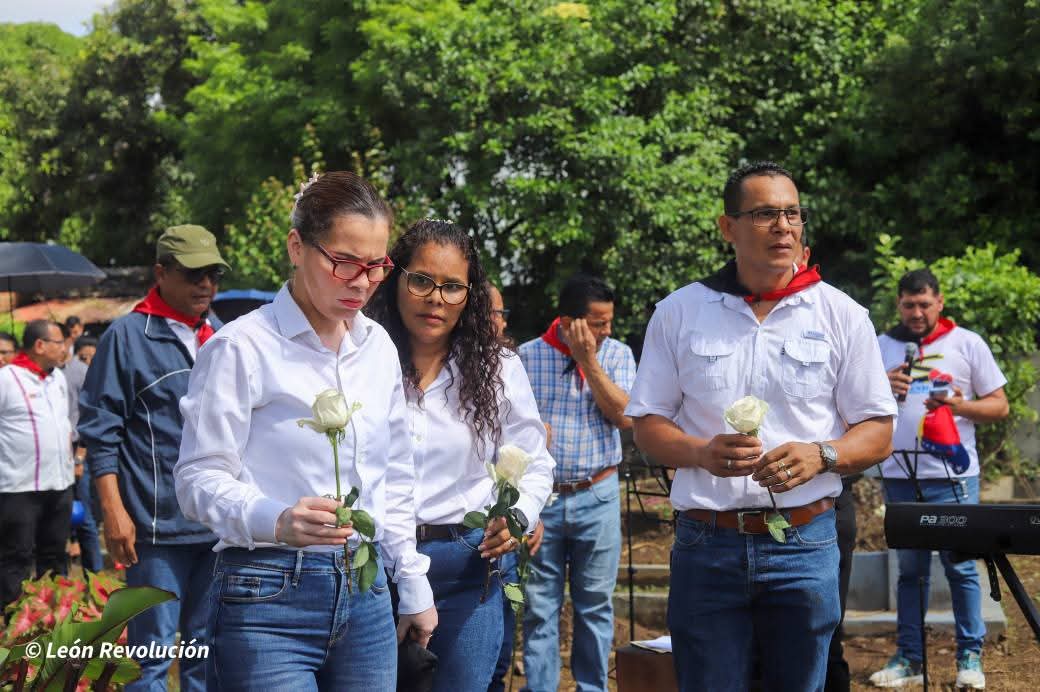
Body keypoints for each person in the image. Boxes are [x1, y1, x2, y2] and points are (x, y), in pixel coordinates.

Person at [625, 161, 896, 691]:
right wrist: (701, 453)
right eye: (765, 213)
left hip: (805, 541)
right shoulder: (680, 312)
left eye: (792, 213)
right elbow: (648, 426)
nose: (784, 227)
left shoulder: (841, 314)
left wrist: (823, 455)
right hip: (707, 543)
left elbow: (878, 430)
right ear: (728, 227)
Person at [174, 172, 437, 691]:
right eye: (343, 262)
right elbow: (197, 479)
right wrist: (276, 518)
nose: (361, 282)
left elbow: (396, 477)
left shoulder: (378, 347)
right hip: (267, 591)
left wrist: (411, 581)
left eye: (377, 266)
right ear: (297, 246)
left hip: (366, 591)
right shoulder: (240, 347)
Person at [368, 219, 554, 692]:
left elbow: (535, 462)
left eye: (453, 287)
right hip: (374, 568)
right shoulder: (359, 360)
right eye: (422, 280)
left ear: (469, 296)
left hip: (468, 570)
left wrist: (517, 516)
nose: (436, 298)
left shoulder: (500, 370)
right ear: (396, 279)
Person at [78, 224, 229, 691]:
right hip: (156, 532)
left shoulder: (221, 334)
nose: (206, 284)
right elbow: (100, 432)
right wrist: (114, 512)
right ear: (161, 272)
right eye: (193, 274)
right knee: (154, 658)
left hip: (219, 528)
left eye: (213, 273)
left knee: (207, 654)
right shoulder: (125, 337)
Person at [869, 268, 1008, 690]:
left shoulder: (967, 343)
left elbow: (999, 407)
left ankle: (970, 658)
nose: (916, 312)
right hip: (898, 475)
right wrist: (880, 387)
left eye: (924, 304)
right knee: (909, 572)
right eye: (909, 304)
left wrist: (962, 406)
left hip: (953, 477)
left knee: (962, 569)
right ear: (898, 305)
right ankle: (909, 658)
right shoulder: (881, 345)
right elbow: (854, 404)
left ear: (939, 302)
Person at [518, 273, 636, 692]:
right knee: (539, 608)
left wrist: (589, 360)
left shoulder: (617, 355)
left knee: (595, 607)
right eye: (597, 323)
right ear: (568, 322)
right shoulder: (527, 358)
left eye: (609, 323)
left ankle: (591, 687)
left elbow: (625, 417)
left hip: (597, 495)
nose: (606, 331)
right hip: (543, 502)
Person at [0, 320, 74, 612]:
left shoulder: (58, 379)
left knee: (55, 554)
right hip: (19, 487)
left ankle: (55, 619)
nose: (64, 348)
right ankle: (14, 626)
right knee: (16, 556)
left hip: (60, 484)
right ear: (40, 345)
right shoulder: (7, 379)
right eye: (58, 342)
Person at [64, 336, 103, 573]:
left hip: (78, 453)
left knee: (85, 519)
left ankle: (96, 578)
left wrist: (80, 456)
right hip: (54, 456)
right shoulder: (46, 378)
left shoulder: (81, 373)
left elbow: (91, 416)